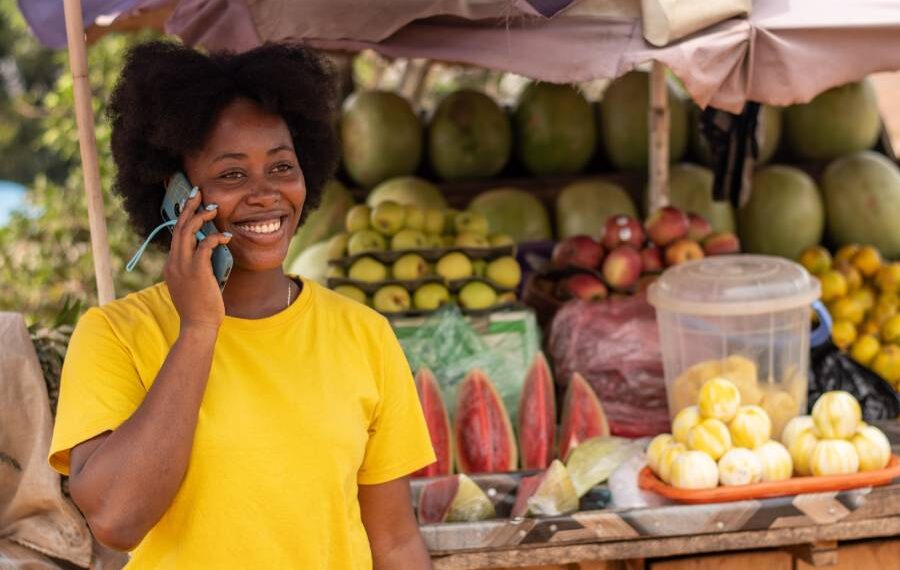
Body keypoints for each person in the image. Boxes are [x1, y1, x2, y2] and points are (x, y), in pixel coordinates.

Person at [49, 41, 436, 569]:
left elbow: (394, 541)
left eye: (282, 167)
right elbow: (117, 520)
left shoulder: (364, 334)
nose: (265, 194)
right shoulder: (115, 334)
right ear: (175, 192)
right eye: (232, 174)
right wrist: (198, 329)